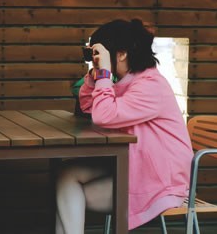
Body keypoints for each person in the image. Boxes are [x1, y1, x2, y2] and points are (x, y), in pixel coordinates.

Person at [55, 19, 193, 233]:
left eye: (100, 55)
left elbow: (104, 116)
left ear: (121, 54)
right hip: (132, 165)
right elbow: (90, 106)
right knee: (66, 175)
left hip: (159, 180)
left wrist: (104, 75)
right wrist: (94, 77)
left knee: (72, 195)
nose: (96, 61)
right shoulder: (127, 81)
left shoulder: (150, 85)